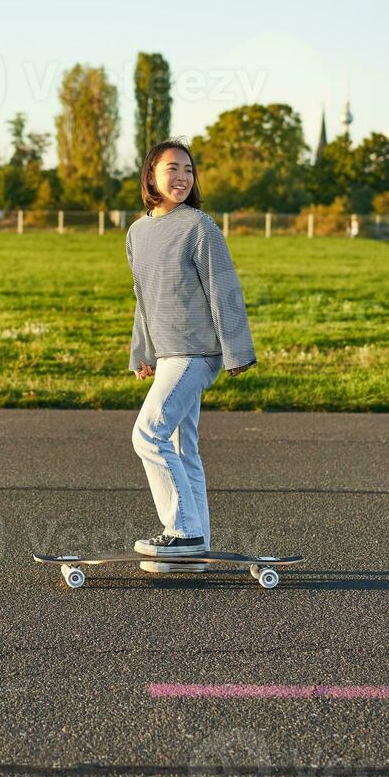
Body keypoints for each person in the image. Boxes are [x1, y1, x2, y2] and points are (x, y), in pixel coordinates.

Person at [125, 139, 257, 568]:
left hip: (197, 352)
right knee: (183, 450)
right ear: (151, 176)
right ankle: (194, 549)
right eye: (172, 169)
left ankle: (183, 532)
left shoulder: (200, 227)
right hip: (167, 355)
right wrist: (141, 352)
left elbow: (224, 289)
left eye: (188, 170)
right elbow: (143, 298)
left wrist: (237, 350)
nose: (182, 177)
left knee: (148, 434)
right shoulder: (137, 232)